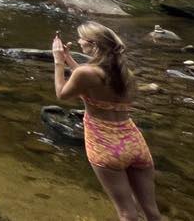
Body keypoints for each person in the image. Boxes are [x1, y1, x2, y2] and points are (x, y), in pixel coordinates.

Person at [51, 22, 160, 221]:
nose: (78, 41)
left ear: (93, 44)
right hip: (135, 143)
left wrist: (59, 61)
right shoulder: (123, 72)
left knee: (127, 214)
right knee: (152, 212)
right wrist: (69, 59)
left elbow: (62, 94)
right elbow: (90, 82)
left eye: (81, 38)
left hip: (105, 146)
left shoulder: (86, 73)